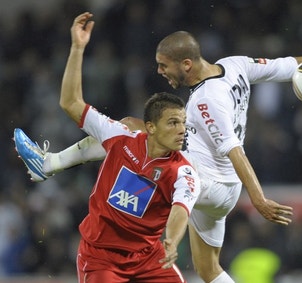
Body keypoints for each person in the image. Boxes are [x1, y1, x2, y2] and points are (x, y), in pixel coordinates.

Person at [14, 12, 302, 283]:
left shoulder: (205, 102)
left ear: (186, 64)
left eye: (164, 66)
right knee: (208, 269)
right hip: (222, 191)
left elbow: (234, 150)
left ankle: (52, 164)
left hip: (207, 181)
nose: (160, 72)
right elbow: (287, 66)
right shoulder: (236, 66)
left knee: (132, 132)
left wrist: (258, 198)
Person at [14, 12, 201, 283]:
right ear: (150, 127)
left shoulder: (183, 170)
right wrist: (77, 48)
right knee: (121, 124)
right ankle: (49, 164)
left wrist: (171, 241)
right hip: (101, 256)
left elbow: (180, 210)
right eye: (173, 123)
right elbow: (70, 102)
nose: (182, 129)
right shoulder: (121, 137)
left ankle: (49, 164)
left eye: (183, 123)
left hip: (148, 258)